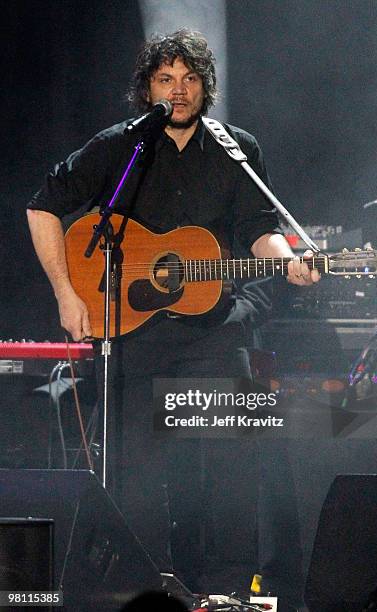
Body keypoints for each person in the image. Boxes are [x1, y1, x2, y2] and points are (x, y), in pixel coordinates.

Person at [27, 29, 319, 605]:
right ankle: (148, 593)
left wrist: (289, 262)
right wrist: (67, 293)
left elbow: (260, 229)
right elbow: (43, 204)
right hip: (135, 334)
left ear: (206, 87)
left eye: (190, 79)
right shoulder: (122, 145)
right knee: (137, 471)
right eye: (166, 79)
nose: (179, 91)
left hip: (216, 329)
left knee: (234, 465)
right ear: (148, 88)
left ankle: (229, 592)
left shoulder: (238, 148)